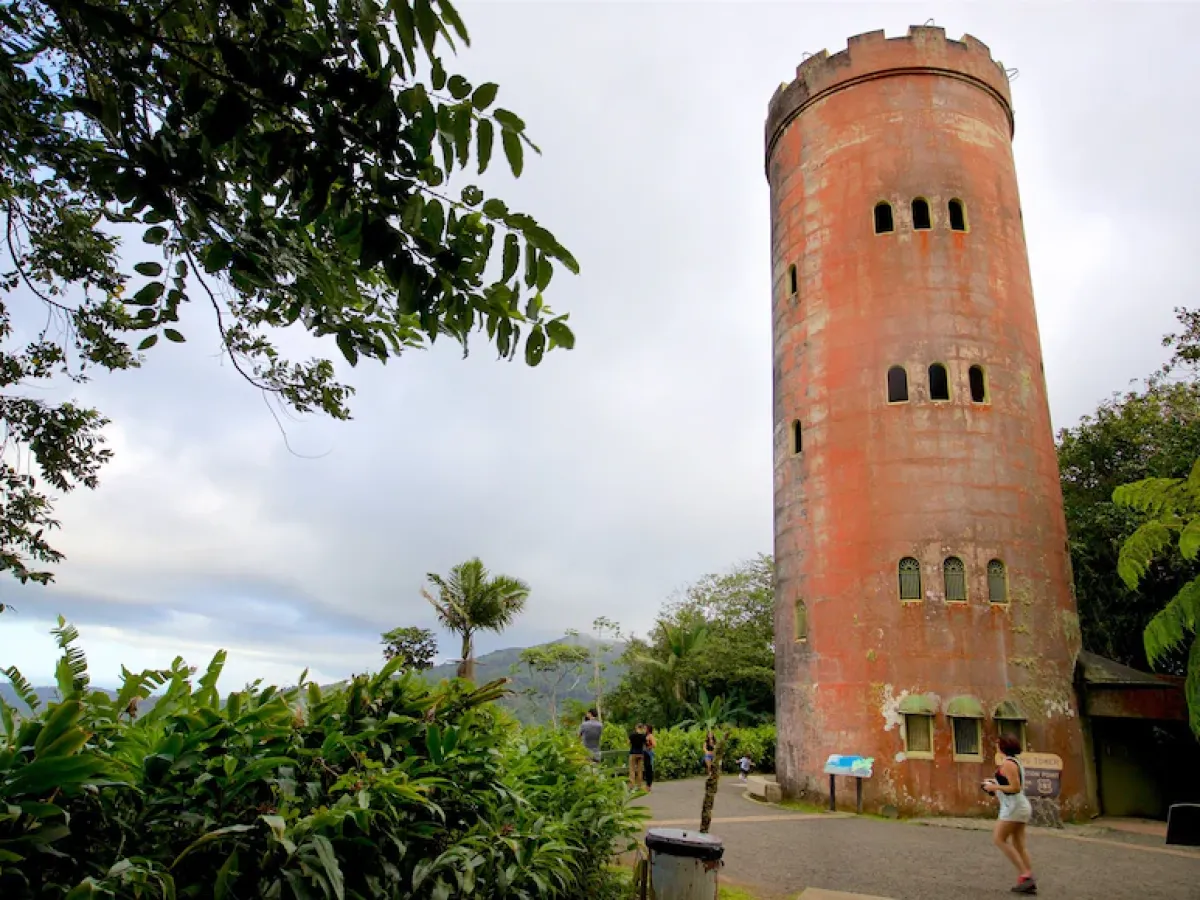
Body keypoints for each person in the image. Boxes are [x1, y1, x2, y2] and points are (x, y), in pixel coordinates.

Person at [982, 734, 1036, 894]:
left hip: (1014, 807)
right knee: (1019, 844)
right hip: (1018, 806)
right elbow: (1009, 784)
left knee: (999, 838)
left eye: (998, 743)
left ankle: (1025, 875)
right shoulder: (1015, 762)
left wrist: (994, 788)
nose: (996, 746)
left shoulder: (1008, 764)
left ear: (1004, 746)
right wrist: (994, 783)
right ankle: (1028, 876)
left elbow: (1015, 787)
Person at [628, 723, 647, 789]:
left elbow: (628, 742)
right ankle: (639, 785)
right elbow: (645, 745)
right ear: (641, 728)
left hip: (633, 753)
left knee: (632, 770)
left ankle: (631, 785)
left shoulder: (632, 735)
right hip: (640, 754)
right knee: (640, 770)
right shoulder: (643, 736)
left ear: (636, 727)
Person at [643, 724, 657, 792]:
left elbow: (654, 744)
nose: (644, 729)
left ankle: (649, 785)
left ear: (648, 729)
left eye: (645, 728)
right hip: (645, 754)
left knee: (649, 769)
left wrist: (648, 748)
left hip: (649, 753)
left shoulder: (650, 736)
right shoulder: (645, 736)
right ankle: (647, 786)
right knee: (646, 769)